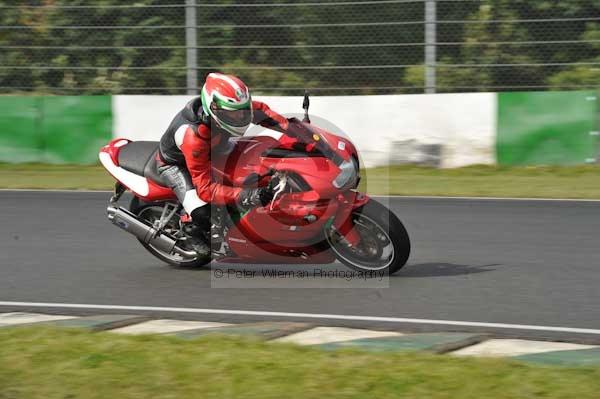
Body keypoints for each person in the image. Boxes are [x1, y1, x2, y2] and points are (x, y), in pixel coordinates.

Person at [156, 72, 312, 257]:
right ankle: (192, 229)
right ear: (213, 108)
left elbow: (262, 112)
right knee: (204, 213)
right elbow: (205, 189)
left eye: (242, 111)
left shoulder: (232, 109)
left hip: (216, 151)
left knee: (264, 162)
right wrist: (250, 195)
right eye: (233, 114)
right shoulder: (193, 136)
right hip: (177, 165)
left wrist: (293, 128)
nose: (240, 117)